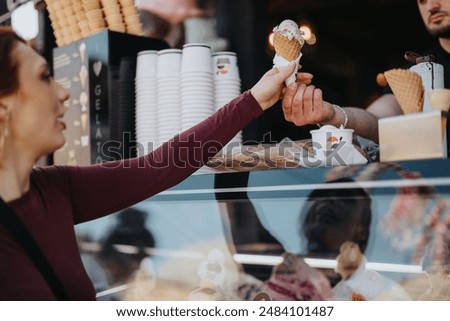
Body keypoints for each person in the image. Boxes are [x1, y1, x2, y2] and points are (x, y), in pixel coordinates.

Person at [0, 26, 297, 300]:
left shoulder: (53, 188)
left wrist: (254, 100)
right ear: (4, 109)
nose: (63, 93)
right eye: (43, 77)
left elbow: (161, 164)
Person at [281, 0, 450, 146]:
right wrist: (332, 114)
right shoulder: (419, 70)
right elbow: (378, 121)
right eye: (422, 0)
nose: (431, 6)